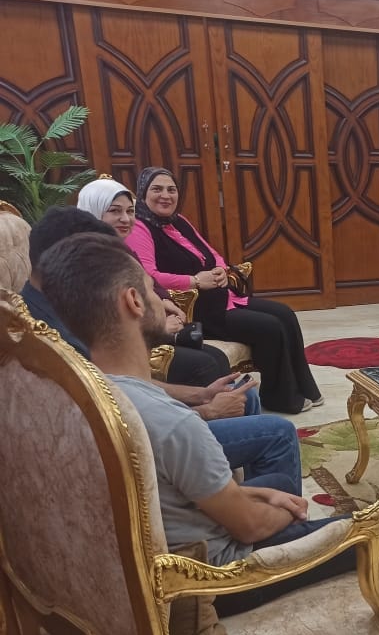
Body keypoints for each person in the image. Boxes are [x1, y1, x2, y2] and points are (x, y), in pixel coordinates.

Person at [36, 234, 379, 635]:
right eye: (154, 290)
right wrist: (286, 510)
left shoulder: (79, 393)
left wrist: (256, 493)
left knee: (275, 480)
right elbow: (249, 527)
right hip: (215, 584)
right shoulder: (170, 422)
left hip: (157, 556)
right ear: (133, 302)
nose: (164, 299)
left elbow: (162, 494)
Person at [21, 219, 303, 479]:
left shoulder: (55, 306)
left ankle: (227, 479)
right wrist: (206, 412)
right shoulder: (54, 333)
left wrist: (199, 394)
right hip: (136, 447)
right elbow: (119, 417)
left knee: (245, 395)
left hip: (140, 416)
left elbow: (125, 385)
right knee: (279, 434)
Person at [127, 167, 322, 414]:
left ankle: (305, 387)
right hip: (198, 310)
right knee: (269, 327)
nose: (165, 195)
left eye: (171, 190)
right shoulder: (139, 228)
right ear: (143, 193)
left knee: (285, 314)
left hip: (223, 298)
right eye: (157, 189)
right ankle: (280, 397)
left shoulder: (179, 221)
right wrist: (194, 281)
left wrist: (220, 269)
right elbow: (149, 275)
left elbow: (213, 253)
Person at [77, 179, 232, 386]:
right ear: (93, 211)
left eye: (130, 211)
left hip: (148, 332)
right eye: (115, 211)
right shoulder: (89, 257)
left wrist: (165, 301)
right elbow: (109, 314)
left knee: (217, 357)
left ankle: (226, 404)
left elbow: (148, 280)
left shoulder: (119, 248)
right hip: (120, 348)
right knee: (204, 364)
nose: (125, 219)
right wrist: (159, 326)